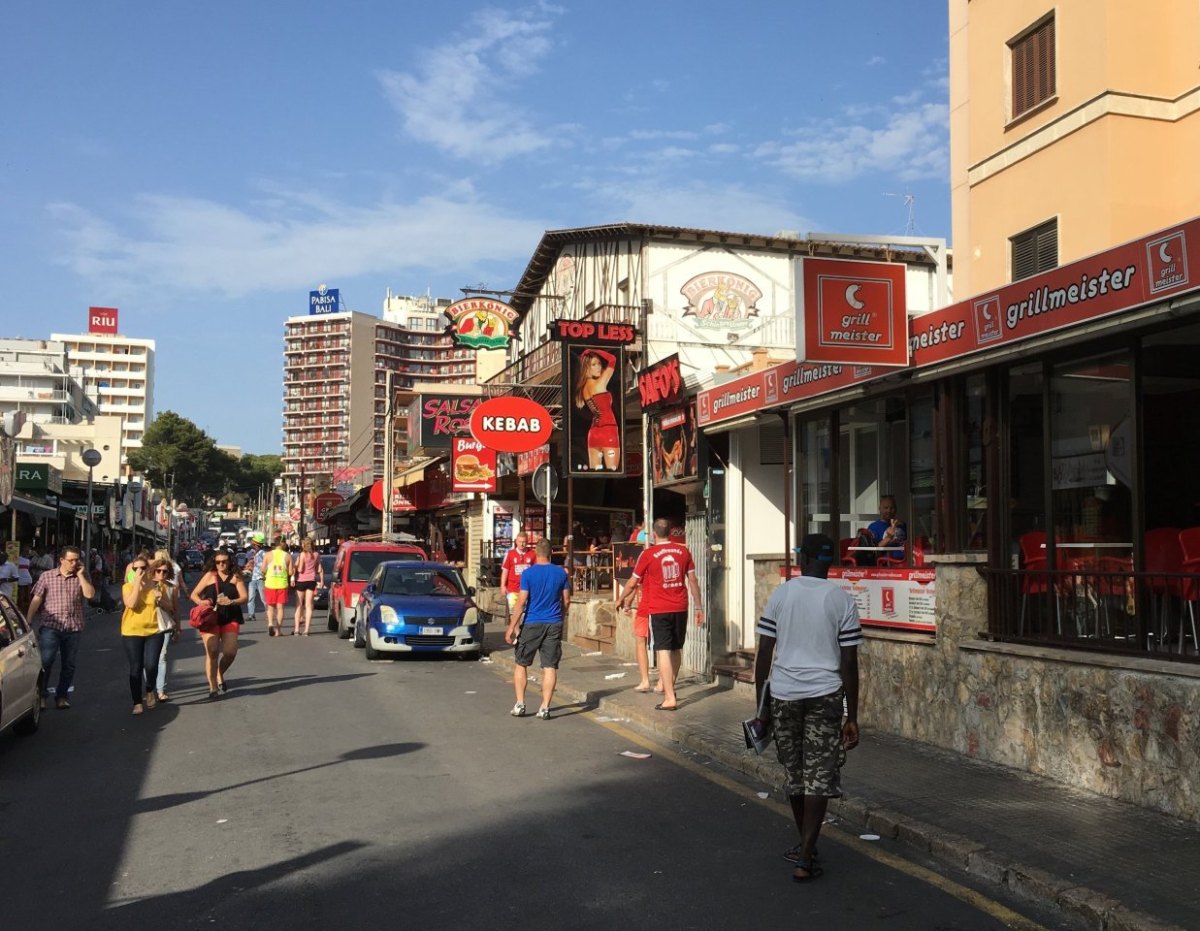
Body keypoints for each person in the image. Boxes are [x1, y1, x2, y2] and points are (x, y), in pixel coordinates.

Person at [753, 533, 862, 883]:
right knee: (820, 775)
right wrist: (853, 715)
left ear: (803, 557)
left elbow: (764, 653)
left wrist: (761, 707)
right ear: (828, 561)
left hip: (784, 695)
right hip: (826, 695)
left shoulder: (783, 593)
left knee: (795, 773)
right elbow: (849, 663)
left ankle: (805, 850)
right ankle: (805, 852)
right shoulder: (841, 600)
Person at [615, 517, 703, 709]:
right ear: (670, 531)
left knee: (663, 649)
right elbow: (693, 581)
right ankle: (668, 684)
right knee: (676, 649)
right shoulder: (684, 551)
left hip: (659, 608)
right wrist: (699, 607)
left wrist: (621, 599)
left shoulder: (648, 554)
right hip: (681, 606)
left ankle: (670, 697)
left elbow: (632, 582)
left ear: (654, 533)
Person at [505, 538, 571, 720]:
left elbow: (521, 602)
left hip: (532, 622)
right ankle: (545, 707)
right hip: (554, 623)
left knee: (521, 663)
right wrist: (561, 617)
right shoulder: (561, 573)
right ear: (551, 553)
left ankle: (520, 704)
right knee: (550, 666)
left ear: (536, 553)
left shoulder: (528, 574)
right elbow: (566, 600)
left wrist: (511, 627)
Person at [27, 546, 96, 709]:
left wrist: (80, 576)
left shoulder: (82, 576)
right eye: (71, 560)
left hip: (73, 627)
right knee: (46, 661)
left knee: (69, 664)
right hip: (51, 626)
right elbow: (37, 599)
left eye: (77, 560)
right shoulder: (47, 576)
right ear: (62, 560)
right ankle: (41, 696)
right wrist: (28, 620)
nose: (74, 563)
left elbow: (90, 595)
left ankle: (62, 696)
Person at [189, 550, 248, 698]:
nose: (221, 564)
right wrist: (201, 602)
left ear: (230, 562)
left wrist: (231, 601)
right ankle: (213, 686)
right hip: (210, 617)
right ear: (214, 563)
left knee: (230, 652)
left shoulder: (236, 577)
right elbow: (194, 594)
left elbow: (245, 597)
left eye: (224, 561)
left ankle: (220, 673)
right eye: (218, 562)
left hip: (231, 615)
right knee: (213, 651)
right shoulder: (209, 576)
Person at [120, 556, 169, 715]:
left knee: (152, 665)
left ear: (149, 570)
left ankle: (149, 689)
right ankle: (136, 702)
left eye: (143, 568)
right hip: (131, 631)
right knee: (136, 667)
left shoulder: (157, 585)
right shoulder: (127, 587)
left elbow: (170, 606)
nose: (139, 571)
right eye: (136, 568)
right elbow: (131, 604)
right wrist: (136, 585)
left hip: (154, 631)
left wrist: (160, 599)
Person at [574, 347, 620, 472]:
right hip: (609, 431)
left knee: (596, 475)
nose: (599, 367)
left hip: (593, 434)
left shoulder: (583, 389)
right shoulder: (600, 383)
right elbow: (612, 359)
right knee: (613, 473)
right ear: (587, 368)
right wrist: (594, 350)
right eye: (594, 364)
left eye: (599, 363)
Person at [152, 548, 183, 702]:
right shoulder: (147, 586)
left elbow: (174, 608)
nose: (161, 575)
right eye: (158, 571)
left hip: (165, 625)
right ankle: (149, 688)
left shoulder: (172, 587)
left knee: (162, 657)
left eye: (165, 572)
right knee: (149, 660)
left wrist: (178, 627)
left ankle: (160, 690)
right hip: (148, 625)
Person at [858, 495, 907, 564]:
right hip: (889, 564)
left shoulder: (902, 525)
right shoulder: (874, 527)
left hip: (908, 561)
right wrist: (888, 537)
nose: (889, 510)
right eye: (886, 508)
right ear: (880, 509)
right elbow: (873, 552)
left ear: (896, 509)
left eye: (892, 508)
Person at [499, 532, 537, 619]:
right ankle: (517, 632)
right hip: (512, 589)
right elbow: (505, 570)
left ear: (527, 542)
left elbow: (536, 570)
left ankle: (524, 631)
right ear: (516, 541)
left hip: (528, 589)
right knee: (514, 613)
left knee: (526, 613)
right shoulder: (510, 554)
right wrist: (502, 585)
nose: (522, 544)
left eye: (524, 542)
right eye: (520, 541)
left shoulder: (532, 554)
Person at [262, 536, 293, 637]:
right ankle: (278, 630)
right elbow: (291, 572)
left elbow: (262, 569)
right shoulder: (287, 556)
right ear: (282, 544)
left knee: (270, 607)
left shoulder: (268, 555)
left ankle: (270, 623)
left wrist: (266, 574)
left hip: (270, 583)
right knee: (280, 608)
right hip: (282, 584)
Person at [292, 538, 322, 636]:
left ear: (304, 545)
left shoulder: (302, 555)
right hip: (311, 581)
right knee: (308, 606)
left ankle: (296, 629)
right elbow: (318, 568)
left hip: (301, 581)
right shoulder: (316, 555)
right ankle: (306, 630)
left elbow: (300, 570)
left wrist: (296, 564)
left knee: (299, 605)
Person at [243, 532, 268, 622]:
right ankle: (251, 615)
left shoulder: (263, 553)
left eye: (253, 543)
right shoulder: (255, 553)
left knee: (264, 599)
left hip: (261, 578)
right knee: (251, 598)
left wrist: (254, 566)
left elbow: (265, 565)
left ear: (256, 544)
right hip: (253, 578)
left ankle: (268, 614)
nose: (252, 545)